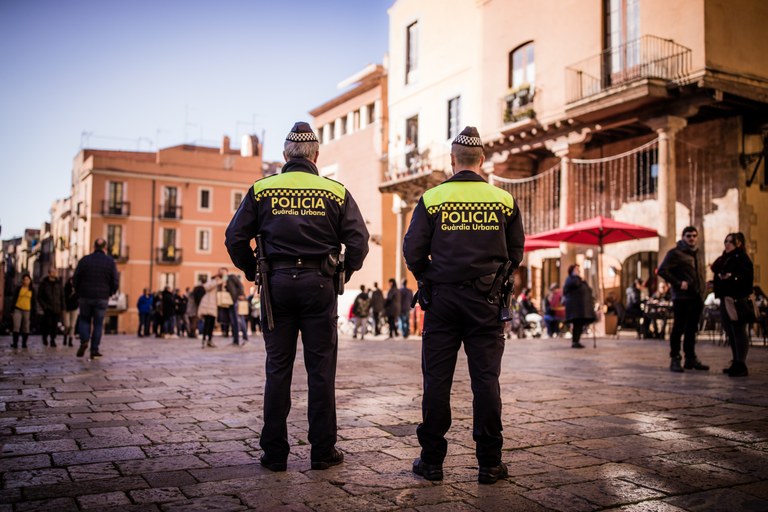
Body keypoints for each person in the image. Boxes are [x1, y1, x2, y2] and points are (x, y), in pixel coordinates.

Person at [225, 121, 369, 472]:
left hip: (276, 286)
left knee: (278, 370)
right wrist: (342, 273)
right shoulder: (334, 192)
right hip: (319, 284)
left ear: (285, 156)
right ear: (316, 155)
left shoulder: (262, 189)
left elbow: (234, 238)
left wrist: (253, 272)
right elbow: (359, 242)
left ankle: (274, 453)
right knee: (320, 371)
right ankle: (322, 450)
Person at [403, 126, 524, 485]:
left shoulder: (433, 198)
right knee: (486, 380)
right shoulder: (503, 200)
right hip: (486, 302)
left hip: (441, 300)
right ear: (482, 161)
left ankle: (432, 461)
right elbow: (516, 253)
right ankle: (489, 463)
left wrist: (430, 276)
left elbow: (412, 250)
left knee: (437, 380)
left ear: (453, 161)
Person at [657, 226, 708, 373]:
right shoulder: (675, 253)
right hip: (682, 297)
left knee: (692, 329)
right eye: (688, 236)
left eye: (694, 236)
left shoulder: (697, 253)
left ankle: (690, 358)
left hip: (696, 296)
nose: (691, 238)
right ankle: (675, 358)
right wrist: (678, 283)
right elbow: (662, 270)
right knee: (679, 328)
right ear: (683, 237)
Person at [712, 232, 754, 377]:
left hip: (737, 300)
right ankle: (736, 361)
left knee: (738, 331)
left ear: (739, 244)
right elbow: (716, 269)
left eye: (731, 242)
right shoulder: (725, 258)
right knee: (730, 331)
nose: (727, 244)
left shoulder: (742, 258)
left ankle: (741, 365)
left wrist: (732, 277)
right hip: (725, 299)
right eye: (726, 241)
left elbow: (747, 278)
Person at [73, 238, 119, 358]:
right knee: (98, 324)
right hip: (101, 297)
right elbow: (115, 280)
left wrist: (78, 292)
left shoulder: (85, 260)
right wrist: (110, 292)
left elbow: (75, 278)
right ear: (105, 248)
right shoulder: (110, 262)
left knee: (84, 320)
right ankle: (94, 349)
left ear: (94, 247)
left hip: (85, 296)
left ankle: (84, 341)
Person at [562, 264, 596, 349]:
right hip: (575, 308)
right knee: (577, 324)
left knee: (579, 324)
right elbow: (571, 286)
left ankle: (576, 341)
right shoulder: (570, 279)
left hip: (581, 308)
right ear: (572, 270)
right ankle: (575, 341)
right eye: (576, 269)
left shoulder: (579, 279)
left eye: (578, 269)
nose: (578, 271)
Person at [38, 267, 65, 347]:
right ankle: (45, 337)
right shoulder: (44, 283)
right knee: (48, 324)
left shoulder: (58, 283)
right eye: (52, 272)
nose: (54, 273)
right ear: (49, 273)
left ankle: (53, 340)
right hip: (48, 308)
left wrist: (63, 307)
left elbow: (62, 296)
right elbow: (39, 296)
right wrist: (44, 306)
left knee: (54, 325)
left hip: (57, 307)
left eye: (55, 272)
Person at [11, 274, 35, 349]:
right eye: (25, 279)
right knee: (16, 326)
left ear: (30, 280)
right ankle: (15, 343)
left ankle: (24, 343)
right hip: (18, 309)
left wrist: (34, 312)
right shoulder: (19, 288)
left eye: (27, 279)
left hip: (27, 310)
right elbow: (14, 299)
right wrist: (11, 310)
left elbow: (34, 302)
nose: (26, 281)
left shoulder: (32, 290)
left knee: (26, 327)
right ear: (22, 280)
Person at [197, 275, 221, 348]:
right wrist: (216, 281)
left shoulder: (218, 285)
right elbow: (206, 287)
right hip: (208, 306)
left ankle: (209, 340)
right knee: (207, 324)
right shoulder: (212, 283)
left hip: (214, 306)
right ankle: (204, 340)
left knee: (211, 325)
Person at [63, 276, 78, 347]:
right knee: (67, 325)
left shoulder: (78, 289)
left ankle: (70, 340)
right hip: (66, 308)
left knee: (72, 325)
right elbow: (63, 297)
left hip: (75, 308)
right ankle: (65, 335)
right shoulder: (66, 288)